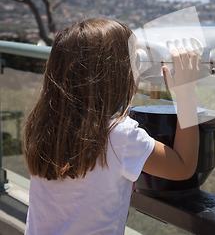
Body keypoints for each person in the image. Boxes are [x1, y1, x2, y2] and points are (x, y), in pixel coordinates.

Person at [23, 19, 200, 234]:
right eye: (134, 61)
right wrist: (186, 93)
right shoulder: (119, 135)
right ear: (117, 74)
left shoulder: (42, 125)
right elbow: (183, 166)